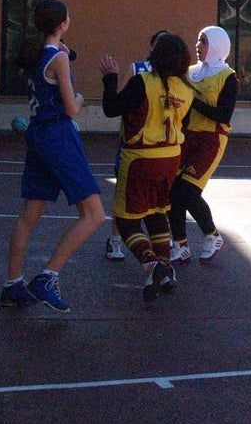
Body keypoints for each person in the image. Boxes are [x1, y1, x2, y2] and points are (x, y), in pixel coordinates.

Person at [0, 0, 106, 312]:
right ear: (63, 23)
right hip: (58, 136)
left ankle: (12, 284)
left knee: (29, 214)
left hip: (38, 134)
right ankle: (48, 276)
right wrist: (82, 97)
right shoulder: (58, 59)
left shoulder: (38, 55)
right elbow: (71, 109)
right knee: (94, 214)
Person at [100, 32, 194, 302]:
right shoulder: (187, 89)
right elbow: (183, 125)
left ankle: (153, 263)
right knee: (157, 213)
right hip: (170, 157)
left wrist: (109, 78)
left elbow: (111, 108)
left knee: (127, 221)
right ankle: (165, 273)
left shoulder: (144, 82)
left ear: (156, 55)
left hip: (141, 156)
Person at [168, 25, 237, 264]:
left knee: (187, 191)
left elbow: (223, 114)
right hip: (186, 137)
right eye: (198, 41)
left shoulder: (227, 76)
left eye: (204, 42)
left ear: (218, 46)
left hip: (211, 139)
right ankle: (180, 244)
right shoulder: (190, 73)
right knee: (172, 191)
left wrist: (193, 101)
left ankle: (212, 235)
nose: (198, 46)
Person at [104, 30, 168, 262]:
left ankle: (160, 247)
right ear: (152, 48)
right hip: (134, 144)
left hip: (162, 148)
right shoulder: (137, 69)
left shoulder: (174, 75)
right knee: (124, 192)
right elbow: (118, 100)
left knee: (160, 199)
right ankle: (115, 240)